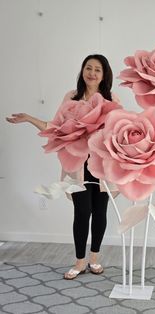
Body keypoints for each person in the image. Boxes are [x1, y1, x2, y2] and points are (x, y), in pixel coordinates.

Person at [6, 54, 120, 280]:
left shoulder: (111, 98)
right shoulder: (72, 97)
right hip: (77, 164)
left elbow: (119, 129)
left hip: (102, 165)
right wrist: (30, 118)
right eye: (88, 68)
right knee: (82, 212)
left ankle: (94, 259)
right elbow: (56, 126)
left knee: (99, 213)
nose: (92, 73)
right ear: (82, 71)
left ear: (104, 75)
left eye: (98, 69)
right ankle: (79, 261)